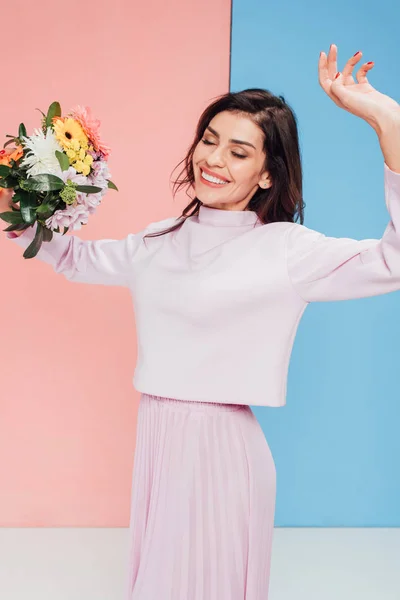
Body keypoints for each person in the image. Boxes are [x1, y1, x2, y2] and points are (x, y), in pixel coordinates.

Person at [2, 45, 400, 599]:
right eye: (209, 140)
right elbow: (73, 258)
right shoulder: (159, 239)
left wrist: (387, 121)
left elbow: (393, 260)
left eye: (239, 152)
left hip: (221, 448)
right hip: (158, 439)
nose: (213, 159)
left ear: (267, 175)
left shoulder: (286, 250)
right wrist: (22, 203)